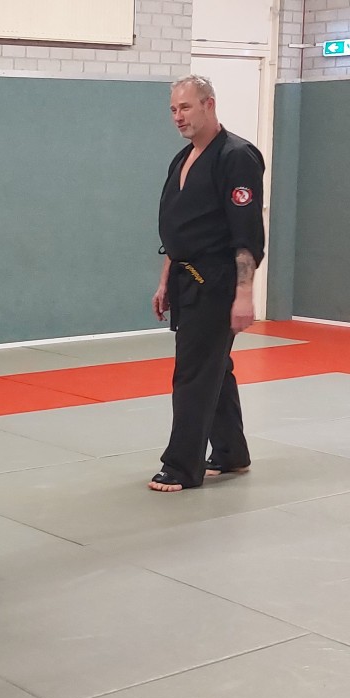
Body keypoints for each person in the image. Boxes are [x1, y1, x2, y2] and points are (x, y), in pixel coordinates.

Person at [149, 75, 265, 492]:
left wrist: (244, 294)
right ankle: (231, 452)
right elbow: (179, 228)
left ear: (209, 105)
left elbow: (246, 233)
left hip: (217, 281)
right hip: (187, 278)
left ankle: (182, 466)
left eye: (186, 107)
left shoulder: (236, 157)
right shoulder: (183, 158)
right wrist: (166, 278)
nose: (178, 117)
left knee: (194, 372)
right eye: (173, 109)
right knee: (216, 366)